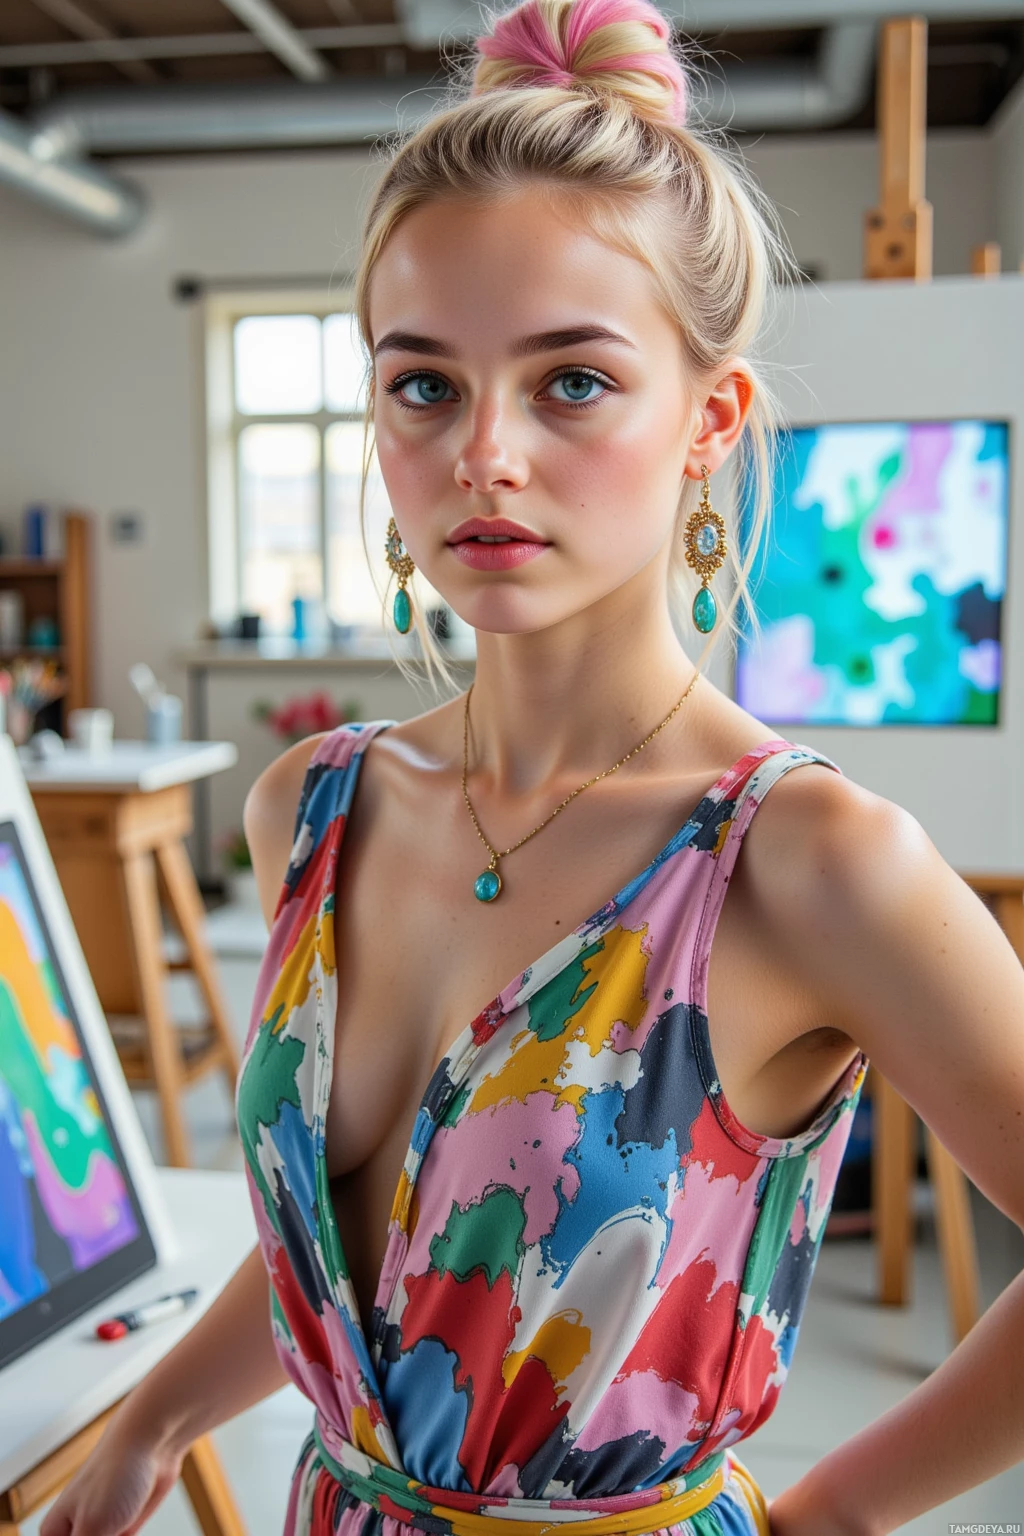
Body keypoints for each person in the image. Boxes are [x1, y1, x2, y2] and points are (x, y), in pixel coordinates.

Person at [42, 0, 1024, 1532]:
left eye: (571, 382)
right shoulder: (313, 807)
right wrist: (158, 1416)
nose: (483, 452)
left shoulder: (804, 862)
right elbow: (368, 1258)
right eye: (423, 384)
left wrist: (827, 1515)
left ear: (709, 421)